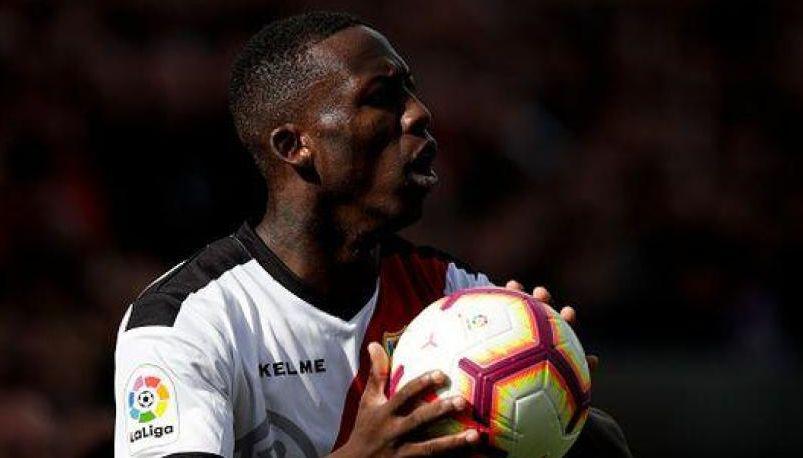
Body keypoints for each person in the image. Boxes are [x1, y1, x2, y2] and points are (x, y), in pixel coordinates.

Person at [113, 11, 631, 458]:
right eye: (382, 96)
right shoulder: (185, 322)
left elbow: (603, 444)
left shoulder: (452, 297)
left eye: (412, 89)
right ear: (295, 145)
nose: (420, 113)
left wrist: (556, 398)